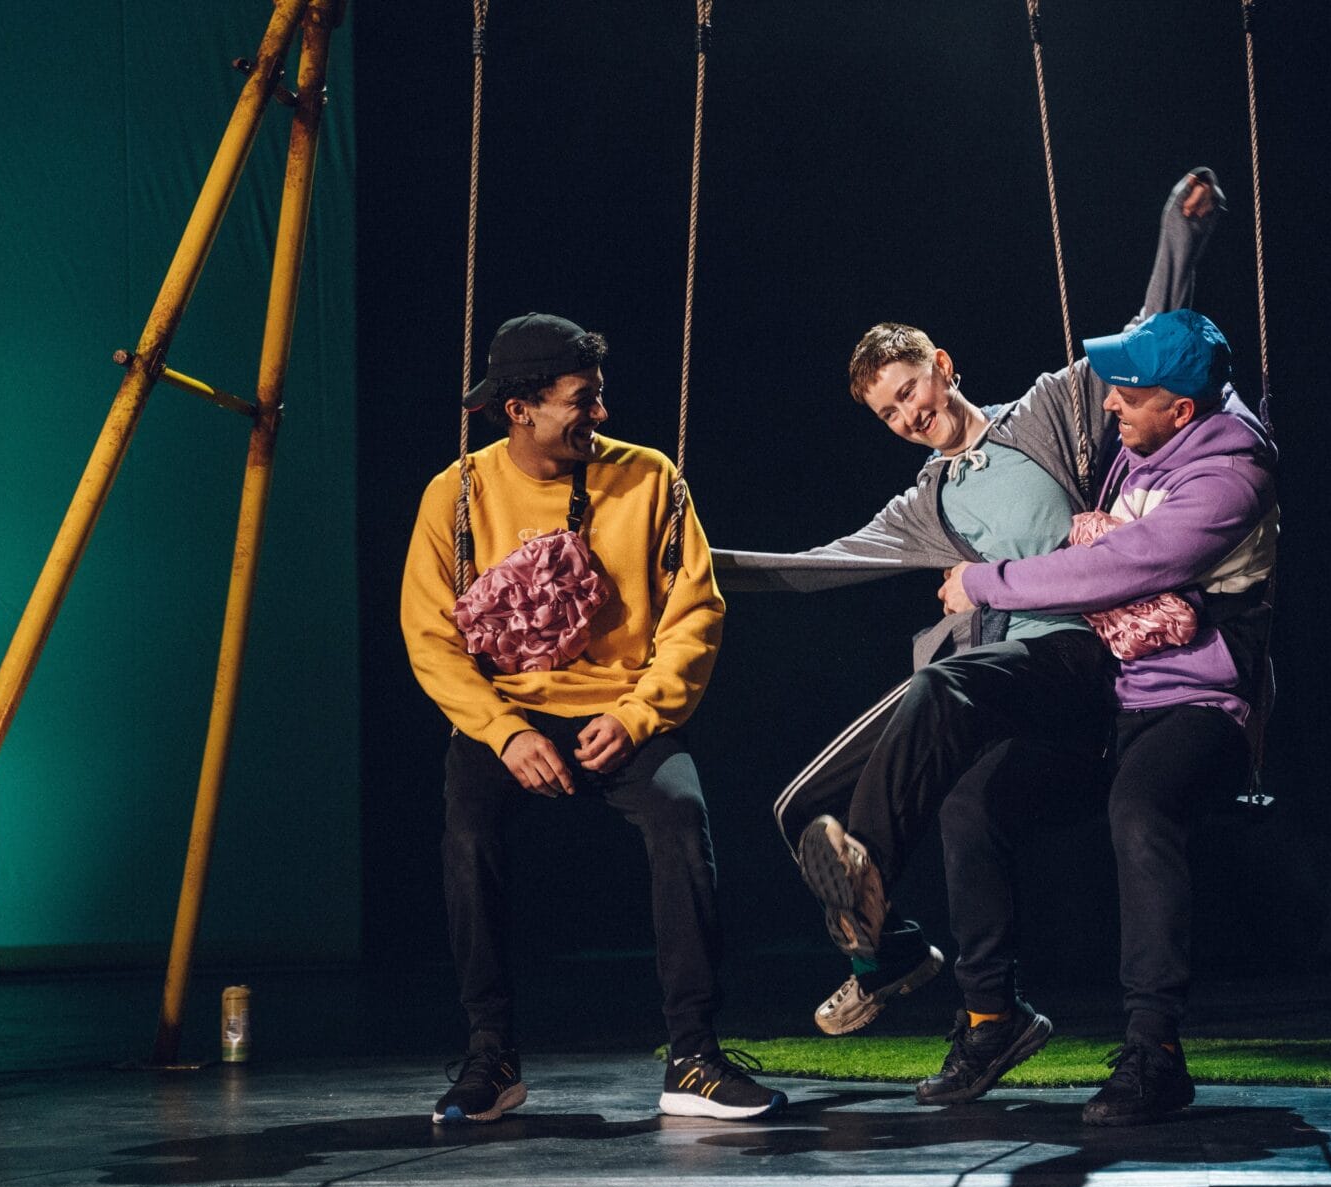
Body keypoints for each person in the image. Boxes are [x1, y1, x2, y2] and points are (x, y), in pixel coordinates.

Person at [712, 171, 1222, 1106]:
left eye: (912, 390)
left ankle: (866, 888)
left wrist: (1178, 239)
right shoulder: (929, 504)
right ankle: (977, 1004)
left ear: (943, 363)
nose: (911, 416)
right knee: (850, 805)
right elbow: (816, 563)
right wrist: (687, 562)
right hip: (1008, 678)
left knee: (941, 687)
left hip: (1087, 652)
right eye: (891, 415)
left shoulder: (1051, 412)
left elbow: (1155, 341)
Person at [402, 312, 784, 1124]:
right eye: (583, 399)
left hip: (621, 713)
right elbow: (429, 636)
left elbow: (696, 613)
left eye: (599, 396)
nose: (601, 415)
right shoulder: (455, 495)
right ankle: (490, 1054)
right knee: (467, 834)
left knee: (680, 816)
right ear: (520, 409)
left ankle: (694, 1057)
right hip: (508, 718)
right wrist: (503, 731)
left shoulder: (649, 479)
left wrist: (642, 714)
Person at [937, 308, 1279, 1125]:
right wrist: (1180, 230)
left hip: (1202, 701)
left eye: (1127, 393)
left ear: (1182, 410)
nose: (1109, 406)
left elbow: (1122, 566)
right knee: (971, 802)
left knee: (1139, 809)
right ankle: (991, 1019)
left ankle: (1155, 1050)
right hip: (1115, 693)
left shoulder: (1231, 477)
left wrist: (986, 583)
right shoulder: (1148, 437)